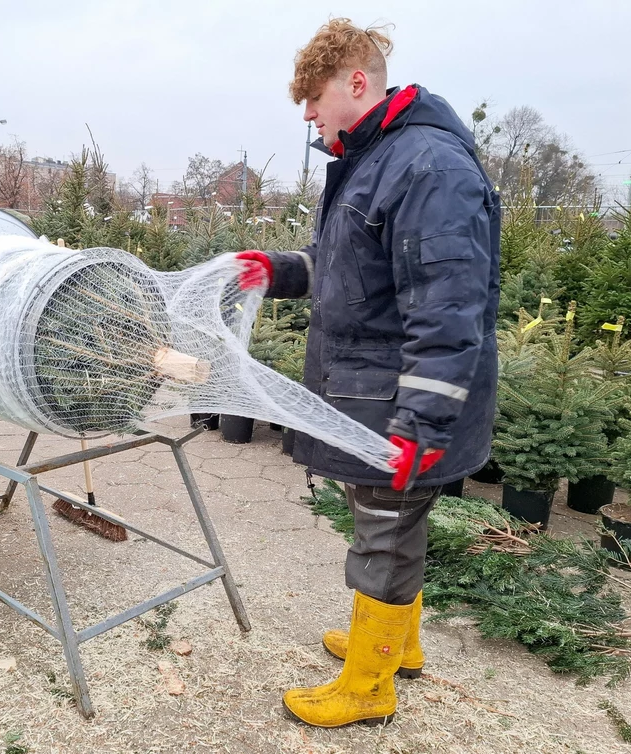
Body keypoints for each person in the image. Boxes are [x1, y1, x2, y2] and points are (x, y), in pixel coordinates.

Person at [236, 19, 500, 727]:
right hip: (373, 391)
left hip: (398, 402)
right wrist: (282, 269)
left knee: (384, 533)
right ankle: (396, 647)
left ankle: (367, 686)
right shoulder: (378, 160)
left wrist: (420, 423)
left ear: (357, 82)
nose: (308, 116)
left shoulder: (426, 168)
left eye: (315, 99)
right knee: (389, 524)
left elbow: (449, 308)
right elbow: (356, 270)